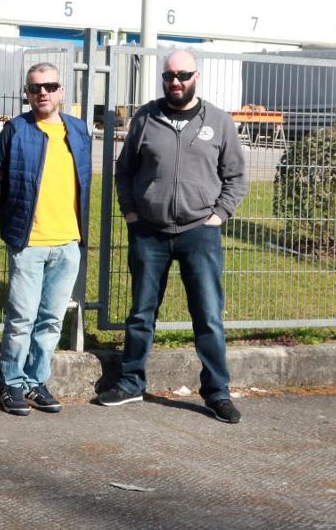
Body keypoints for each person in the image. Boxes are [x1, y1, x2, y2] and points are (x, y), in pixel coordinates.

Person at [100, 50, 248, 423]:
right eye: (169, 76)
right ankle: (131, 382)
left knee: (208, 316)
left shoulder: (218, 121)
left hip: (200, 232)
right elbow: (125, 172)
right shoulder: (146, 118)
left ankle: (217, 391)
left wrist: (218, 215)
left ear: (196, 77)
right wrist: (131, 212)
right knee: (141, 313)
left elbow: (235, 177)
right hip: (149, 232)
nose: (175, 82)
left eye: (182, 75)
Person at [0, 63, 91, 416]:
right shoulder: (16, 130)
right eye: (35, 88)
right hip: (28, 241)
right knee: (21, 318)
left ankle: (36, 380)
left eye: (49, 86)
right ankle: (12, 382)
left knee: (51, 319)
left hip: (68, 242)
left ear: (61, 91)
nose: (43, 93)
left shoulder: (78, 131)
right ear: (27, 93)